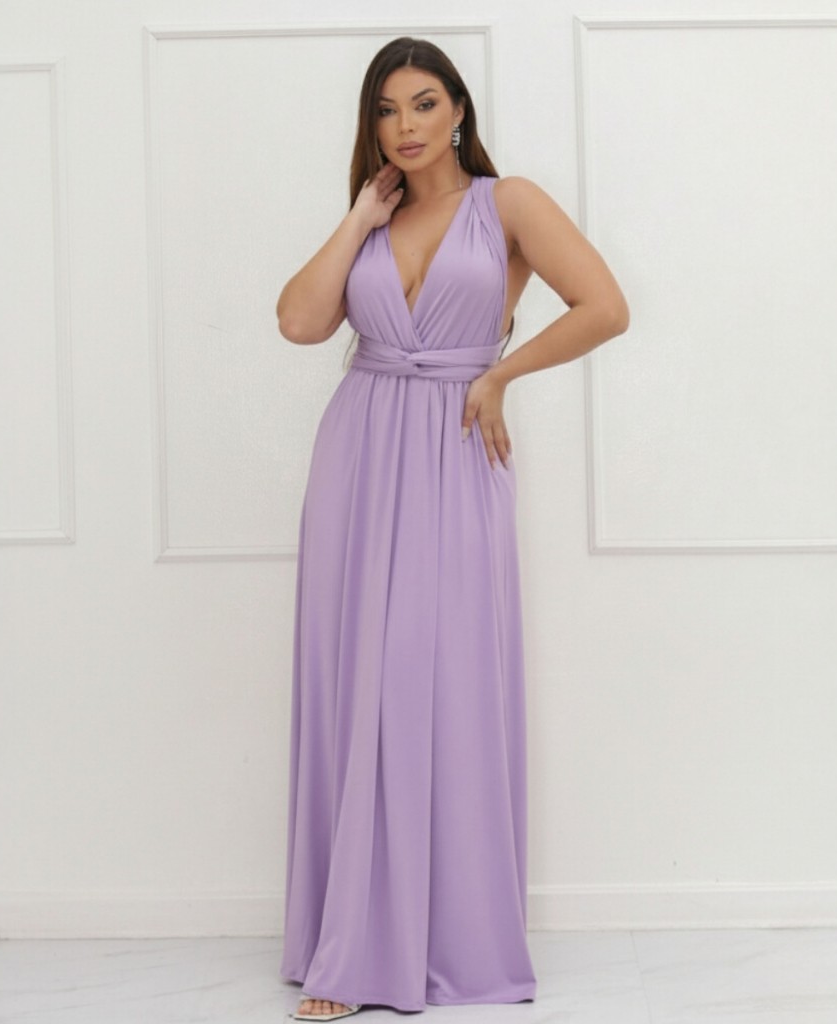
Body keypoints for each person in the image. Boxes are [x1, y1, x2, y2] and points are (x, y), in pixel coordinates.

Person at [276, 36, 628, 1022]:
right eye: (387, 110)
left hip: (457, 447)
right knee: (360, 683)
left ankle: (441, 938)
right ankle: (350, 943)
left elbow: (605, 306)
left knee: (440, 679)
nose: (407, 125)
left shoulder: (506, 203)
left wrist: (501, 373)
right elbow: (299, 323)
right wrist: (358, 216)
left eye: (425, 103)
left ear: (459, 109)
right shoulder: (374, 220)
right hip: (357, 455)